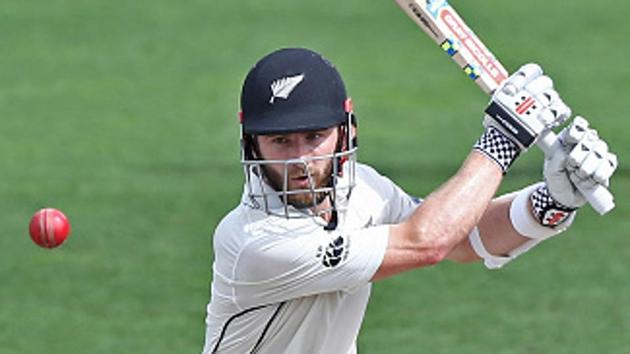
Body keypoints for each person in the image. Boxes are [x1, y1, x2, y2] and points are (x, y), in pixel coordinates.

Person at [201, 48, 617, 353]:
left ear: (344, 131)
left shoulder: (361, 188)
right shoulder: (254, 242)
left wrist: (552, 201)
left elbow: (462, 236)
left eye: (314, 137)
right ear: (252, 143)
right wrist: (502, 140)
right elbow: (428, 241)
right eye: (280, 141)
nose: (301, 159)